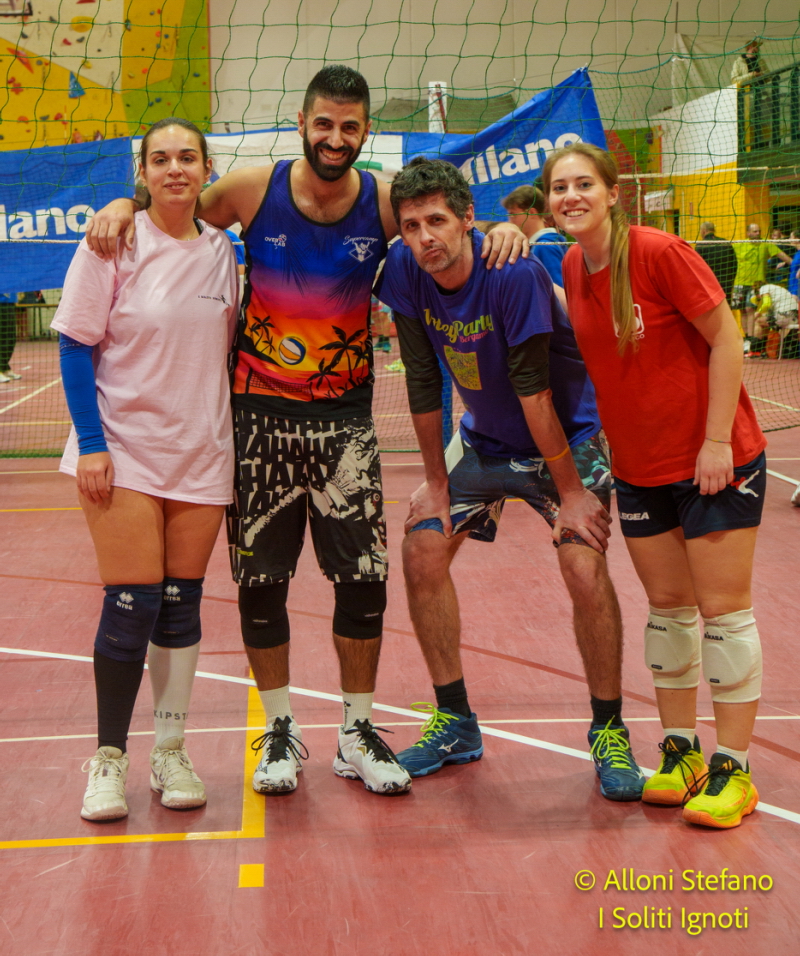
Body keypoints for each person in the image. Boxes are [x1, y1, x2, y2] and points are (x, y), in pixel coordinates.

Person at [84, 65, 526, 798]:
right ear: (302, 123)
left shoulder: (384, 201)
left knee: (364, 580)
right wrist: (121, 204)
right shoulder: (251, 189)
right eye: (324, 124)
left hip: (345, 419)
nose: (335, 138)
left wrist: (507, 228)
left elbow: (445, 223)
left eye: (350, 127)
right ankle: (281, 729)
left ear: (365, 132)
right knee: (262, 582)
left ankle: (356, 731)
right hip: (258, 416)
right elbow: (173, 205)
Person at [376, 157, 646, 801]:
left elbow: (535, 393)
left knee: (583, 565)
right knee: (421, 549)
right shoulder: (406, 271)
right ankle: (455, 721)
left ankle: (609, 730)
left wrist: (572, 495)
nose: (424, 237)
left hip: (566, 442)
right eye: (411, 226)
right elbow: (423, 380)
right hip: (486, 442)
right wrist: (436, 483)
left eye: (437, 221)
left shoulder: (513, 273)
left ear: (468, 219)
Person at [543, 142, 767, 830]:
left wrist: (716, 441)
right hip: (641, 469)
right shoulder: (573, 265)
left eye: (584, 184)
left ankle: (734, 770)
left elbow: (726, 337)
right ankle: (681, 755)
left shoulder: (658, 252)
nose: (571, 196)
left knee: (723, 614)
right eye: (559, 187)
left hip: (712, 463)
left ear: (614, 192)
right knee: (668, 614)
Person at [52, 118, 239, 822]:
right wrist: (91, 443)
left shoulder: (224, 252)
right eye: (160, 159)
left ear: (207, 168)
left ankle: (170, 750)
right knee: (131, 605)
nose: (175, 169)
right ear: (143, 172)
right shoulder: (113, 241)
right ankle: (108, 759)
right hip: (123, 449)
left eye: (187, 157)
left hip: (202, 451)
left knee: (181, 605)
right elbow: (75, 346)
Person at [732, 222, 791, 344]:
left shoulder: (766, 243)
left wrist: (794, 263)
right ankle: (746, 338)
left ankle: (752, 338)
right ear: (748, 233)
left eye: (759, 231)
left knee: (750, 309)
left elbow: (782, 256)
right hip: (739, 283)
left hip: (756, 284)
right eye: (755, 231)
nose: (758, 233)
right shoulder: (739, 245)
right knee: (742, 310)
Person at [502, 183, 569, 286]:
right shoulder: (539, 244)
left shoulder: (544, 247)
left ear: (532, 212)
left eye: (513, 214)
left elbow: (560, 290)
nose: (510, 221)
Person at [750, 281, 799, 357]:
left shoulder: (764, 288)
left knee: (758, 321)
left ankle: (756, 351)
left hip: (784, 315)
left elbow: (766, 304)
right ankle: (764, 350)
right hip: (794, 317)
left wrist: (758, 313)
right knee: (766, 322)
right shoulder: (777, 288)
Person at [695, 222, 736, 305]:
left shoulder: (701, 245)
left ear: (703, 231)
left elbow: (697, 267)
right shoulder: (725, 243)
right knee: (726, 308)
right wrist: (731, 280)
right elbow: (734, 263)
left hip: (710, 285)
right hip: (726, 284)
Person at [0, 290, 20, 382]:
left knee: (11, 338)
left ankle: (4, 368)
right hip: (1, 303)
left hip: (10, 302)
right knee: (2, 337)